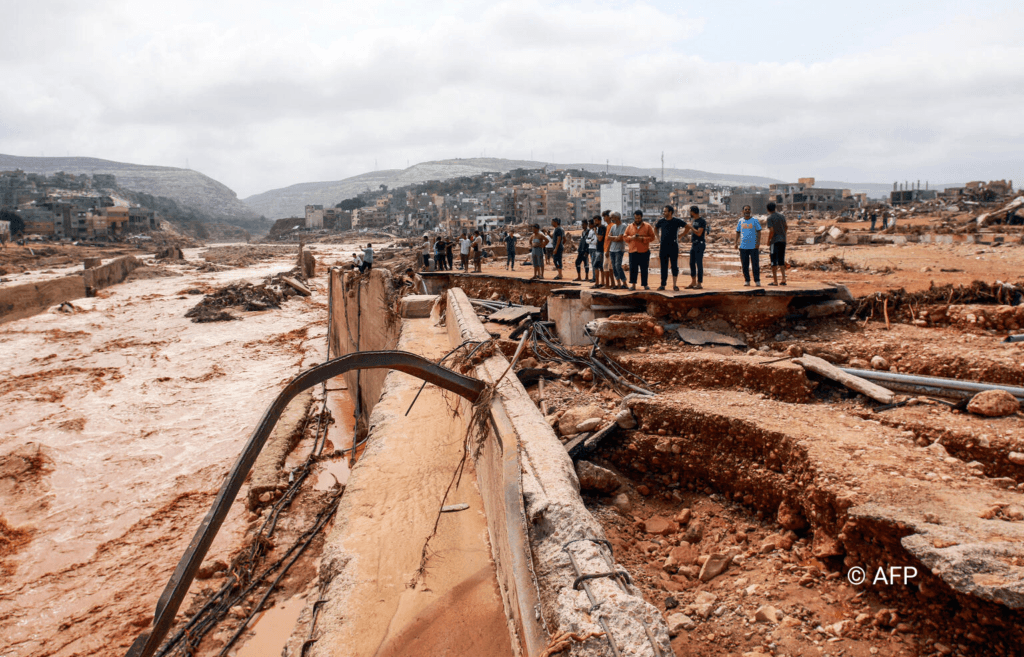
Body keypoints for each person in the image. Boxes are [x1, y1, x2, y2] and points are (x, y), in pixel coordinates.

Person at [654, 205, 686, 291]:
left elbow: (687, 227)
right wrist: (658, 238)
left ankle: (675, 285)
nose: (663, 213)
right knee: (663, 266)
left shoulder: (676, 221)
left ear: (670, 212)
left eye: (665, 211)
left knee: (674, 266)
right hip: (663, 246)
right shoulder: (661, 221)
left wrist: (681, 235)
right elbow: (655, 228)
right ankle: (662, 285)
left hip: (673, 246)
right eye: (663, 211)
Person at [624, 210, 655, 290]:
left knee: (644, 269)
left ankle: (645, 285)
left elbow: (652, 237)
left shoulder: (647, 226)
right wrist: (631, 237)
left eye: (638, 218)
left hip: (644, 251)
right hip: (633, 251)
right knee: (633, 269)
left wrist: (642, 239)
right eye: (635, 218)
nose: (637, 220)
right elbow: (625, 237)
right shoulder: (629, 226)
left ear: (641, 217)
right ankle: (633, 285)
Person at [680, 206, 706, 289]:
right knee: (691, 263)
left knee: (699, 264)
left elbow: (699, 233)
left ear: (693, 212)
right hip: (694, 244)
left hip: (700, 244)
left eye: (690, 211)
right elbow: (689, 229)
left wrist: (691, 227)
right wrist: (680, 235)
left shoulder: (702, 221)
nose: (689, 213)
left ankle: (699, 283)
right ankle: (693, 282)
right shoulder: (693, 220)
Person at [734, 206, 761, 286]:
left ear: (750, 211)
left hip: (753, 247)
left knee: (755, 264)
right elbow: (738, 232)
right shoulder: (740, 221)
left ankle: (757, 280)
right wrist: (735, 242)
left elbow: (759, 232)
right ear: (742, 211)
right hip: (743, 247)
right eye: (746, 209)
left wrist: (758, 243)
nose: (747, 211)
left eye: (749, 209)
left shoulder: (755, 220)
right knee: (745, 265)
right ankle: (747, 280)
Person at [765, 201, 788, 286]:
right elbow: (786, 227)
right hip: (783, 240)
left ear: (767, 209)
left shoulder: (770, 218)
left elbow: (771, 231)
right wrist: (782, 234)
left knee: (773, 261)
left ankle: (775, 281)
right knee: (781, 260)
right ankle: (783, 279)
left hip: (774, 242)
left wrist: (768, 241)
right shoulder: (782, 216)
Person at [605, 212, 627, 289]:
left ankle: (624, 282)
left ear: (617, 217)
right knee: (614, 267)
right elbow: (609, 237)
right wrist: (615, 238)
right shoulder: (613, 227)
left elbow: (620, 238)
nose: (611, 219)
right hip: (612, 249)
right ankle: (618, 283)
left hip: (619, 249)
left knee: (618, 266)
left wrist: (613, 237)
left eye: (612, 218)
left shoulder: (623, 226)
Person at [587, 216, 602, 282]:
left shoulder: (597, 230)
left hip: (595, 249)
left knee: (596, 264)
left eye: (590, 224)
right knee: (592, 263)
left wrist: (591, 240)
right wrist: (591, 240)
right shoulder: (590, 231)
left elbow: (596, 241)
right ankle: (594, 277)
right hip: (590, 248)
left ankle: (596, 278)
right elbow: (587, 240)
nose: (589, 225)